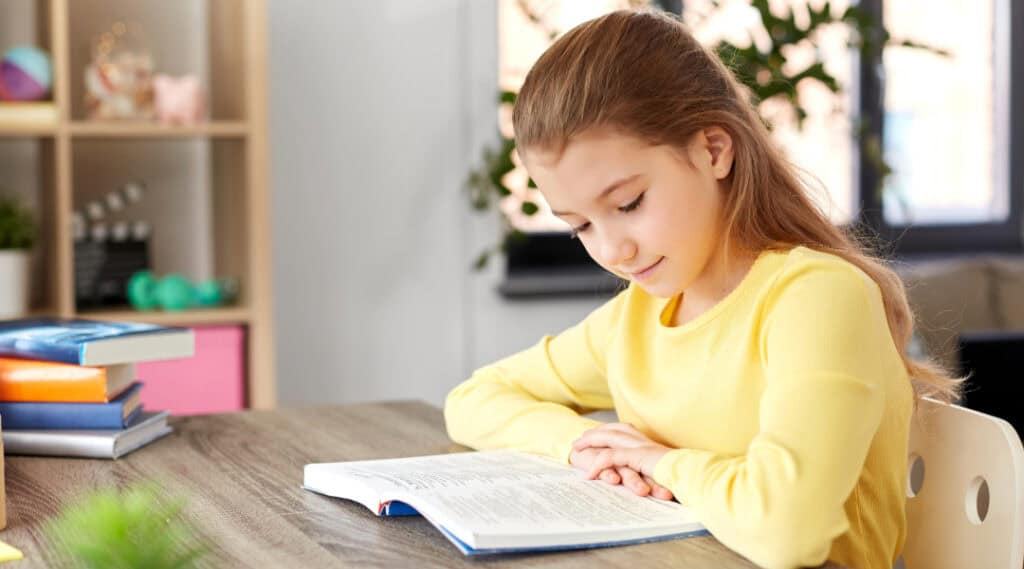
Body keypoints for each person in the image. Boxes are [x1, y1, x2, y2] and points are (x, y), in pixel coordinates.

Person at [444, 9, 960, 569]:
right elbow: (473, 401)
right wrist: (583, 445)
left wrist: (663, 464)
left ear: (713, 150)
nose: (612, 251)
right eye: (581, 225)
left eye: (628, 204)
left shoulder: (816, 298)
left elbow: (789, 531)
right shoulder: (637, 320)